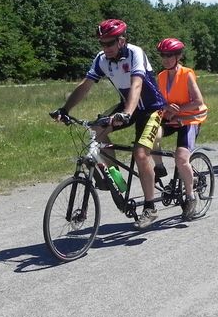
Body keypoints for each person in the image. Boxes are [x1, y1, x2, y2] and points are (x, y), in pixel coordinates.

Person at [51, 19, 166, 229]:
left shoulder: (135, 53)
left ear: (121, 40)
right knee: (96, 131)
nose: (105, 48)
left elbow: (137, 84)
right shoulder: (101, 59)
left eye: (110, 43)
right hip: (126, 107)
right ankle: (116, 179)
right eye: (102, 43)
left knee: (140, 154)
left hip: (151, 108)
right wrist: (65, 109)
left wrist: (127, 113)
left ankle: (150, 207)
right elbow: (85, 86)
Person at [151, 38, 208, 219]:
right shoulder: (161, 76)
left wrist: (179, 111)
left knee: (181, 158)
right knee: (150, 135)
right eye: (163, 55)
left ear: (178, 56)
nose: (166, 59)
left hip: (190, 119)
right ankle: (159, 168)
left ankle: (190, 197)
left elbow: (198, 102)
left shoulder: (186, 74)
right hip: (171, 118)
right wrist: (166, 109)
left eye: (170, 55)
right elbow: (161, 102)